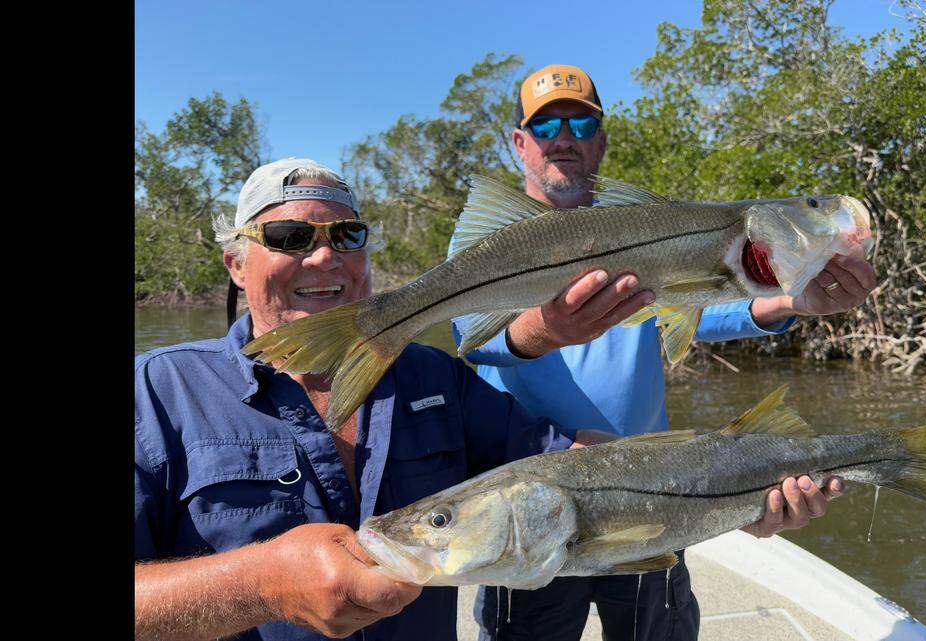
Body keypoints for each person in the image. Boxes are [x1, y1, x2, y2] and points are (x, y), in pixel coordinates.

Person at [450, 64, 878, 641]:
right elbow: (473, 342)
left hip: (657, 489)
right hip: (535, 501)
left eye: (580, 123)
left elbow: (695, 306)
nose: (564, 137)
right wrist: (547, 330)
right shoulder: (486, 242)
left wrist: (791, 303)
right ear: (520, 142)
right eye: (546, 126)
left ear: (600, 139)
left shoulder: (652, 230)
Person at [134, 158, 612, 641]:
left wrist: (678, 478)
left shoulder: (431, 375)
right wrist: (262, 586)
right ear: (236, 264)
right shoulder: (159, 390)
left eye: (346, 236)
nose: (324, 257)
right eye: (287, 236)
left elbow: (561, 461)